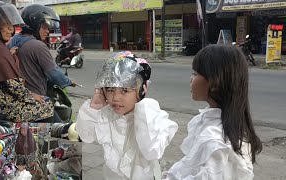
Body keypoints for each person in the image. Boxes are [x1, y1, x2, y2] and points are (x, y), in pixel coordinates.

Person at [163, 45, 262, 180]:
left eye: (195, 74)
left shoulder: (216, 144)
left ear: (215, 82)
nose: (191, 79)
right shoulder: (222, 125)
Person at [76, 51, 178, 179]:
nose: (115, 97)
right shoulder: (106, 115)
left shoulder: (154, 117)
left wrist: (143, 108)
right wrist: (94, 109)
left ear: (142, 90)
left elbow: (151, 151)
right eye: (110, 89)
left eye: (125, 90)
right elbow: (86, 135)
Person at [0, 1, 54, 122]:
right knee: (47, 104)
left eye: (10, 24)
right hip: (5, 110)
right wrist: (31, 95)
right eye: (5, 24)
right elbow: (13, 86)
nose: (10, 29)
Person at [7, 4, 75, 97]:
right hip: (35, 98)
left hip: (17, 95)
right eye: (44, 27)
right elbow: (54, 74)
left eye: (49, 28)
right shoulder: (38, 46)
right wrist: (68, 82)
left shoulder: (13, 41)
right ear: (34, 24)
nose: (48, 31)